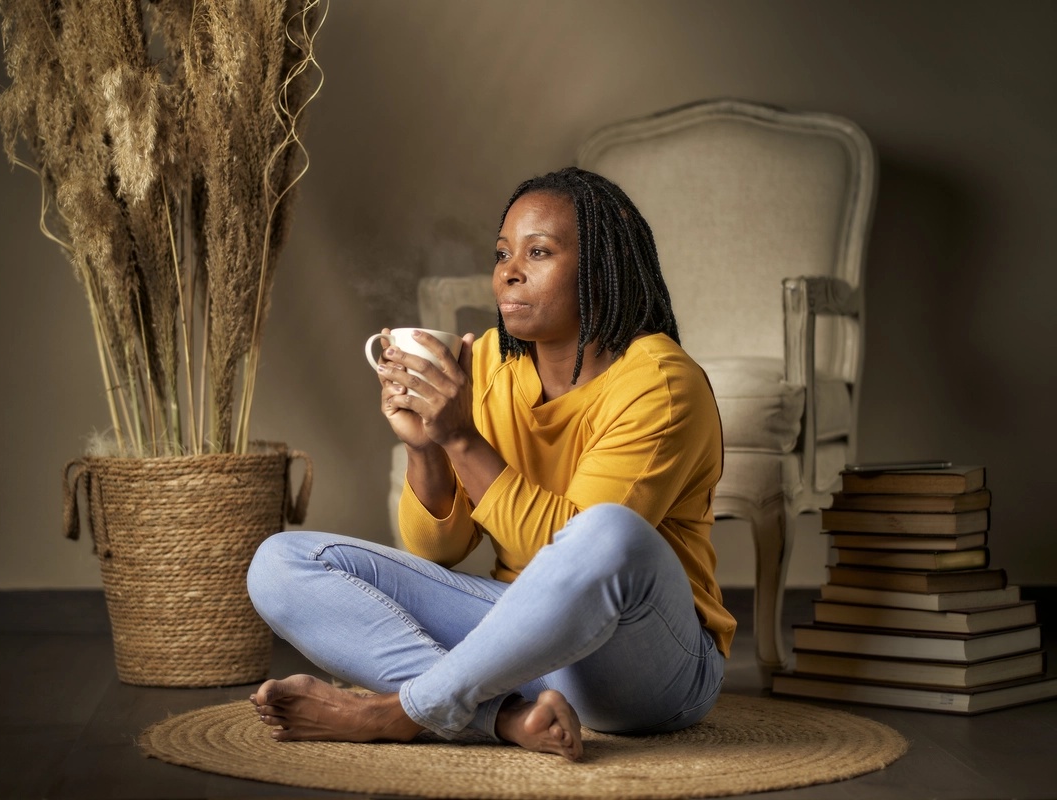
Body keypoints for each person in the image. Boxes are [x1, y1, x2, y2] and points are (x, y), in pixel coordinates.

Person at [246, 166, 735, 762]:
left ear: (603, 267)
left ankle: (401, 712)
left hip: (645, 668)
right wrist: (426, 445)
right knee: (279, 562)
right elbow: (438, 551)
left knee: (609, 533)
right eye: (503, 252)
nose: (509, 270)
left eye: (539, 251)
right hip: (519, 650)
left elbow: (574, 556)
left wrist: (461, 441)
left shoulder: (660, 382)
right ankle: (502, 718)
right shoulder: (492, 371)